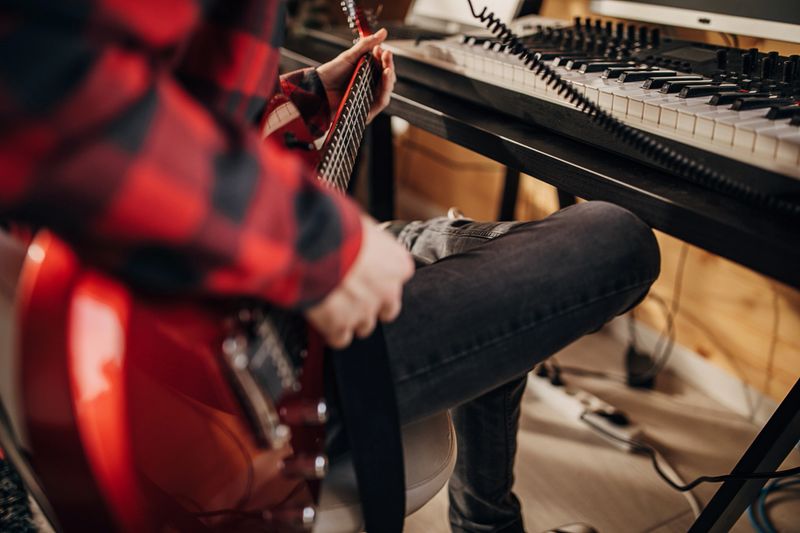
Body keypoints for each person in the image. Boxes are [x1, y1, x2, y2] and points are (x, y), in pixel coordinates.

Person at [0, 1, 660, 532]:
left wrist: (313, 97)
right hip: (220, 377)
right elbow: (44, 78)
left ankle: (486, 517)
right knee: (614, 238)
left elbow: (181, 109)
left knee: (476, 253)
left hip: (199, 294)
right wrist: (317, 243)